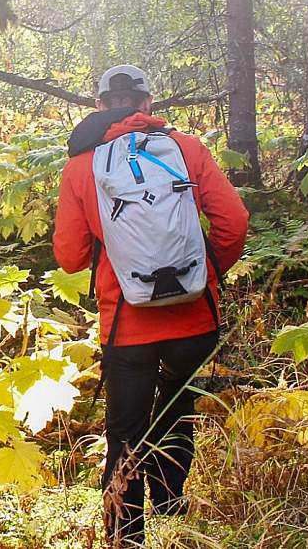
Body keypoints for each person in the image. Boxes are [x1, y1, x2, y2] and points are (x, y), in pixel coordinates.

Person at [52, 65, 248, 547]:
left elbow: (70, 257)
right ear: (147, 104)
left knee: (125, 431)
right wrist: (206, 275)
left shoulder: (82, 167)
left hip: (126, 324)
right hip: (195, 317)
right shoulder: (188, 150)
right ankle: (169, 497)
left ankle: (126, 536)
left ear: (101, 106)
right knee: (179, 404)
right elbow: (235, 223)